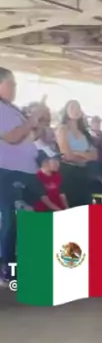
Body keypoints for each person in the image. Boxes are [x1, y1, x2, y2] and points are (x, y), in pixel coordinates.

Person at [0, 67, 41, 284]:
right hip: (8, 171)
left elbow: (29, 136)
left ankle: (19, 265)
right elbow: (12, 137)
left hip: (24, 170)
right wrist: (30, 121)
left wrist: (36, 122)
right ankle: (6, 268)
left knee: (24, 219)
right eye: (11, 84)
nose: (15, 88)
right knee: (11, 220)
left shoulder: (11, 108)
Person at [56, 99, 98, 207]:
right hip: (68, 173)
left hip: (84, 173)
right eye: (72, 107)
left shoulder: (84, 132)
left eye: (78, 107)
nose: (76, 110)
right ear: (66, 111)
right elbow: (66, 154)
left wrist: (77, 153)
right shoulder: (62, 129)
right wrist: (85, 156)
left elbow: (95, 155)